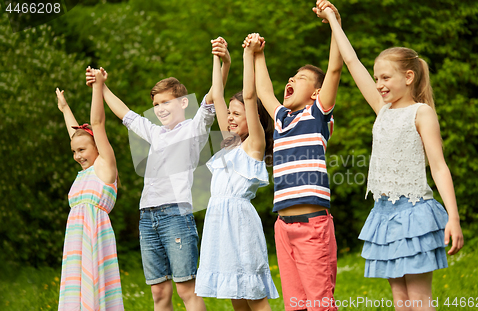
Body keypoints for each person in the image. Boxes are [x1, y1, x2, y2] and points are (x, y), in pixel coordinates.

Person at [324, 1, 464, 309]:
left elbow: (439, 168)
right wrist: (334, 20)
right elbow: (351, 61)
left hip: (415, 212)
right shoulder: (382, 109)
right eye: (377, 78)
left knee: (418, 300)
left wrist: (453, 218)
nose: (379, 84)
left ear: (409, 77)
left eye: (386, 78)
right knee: (400, 301)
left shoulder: (421, 112)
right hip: (385, 213)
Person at [85, 39, 230, 311]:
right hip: (146, 217)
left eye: (167, 102)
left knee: (187, 290)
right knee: (159, 294)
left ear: (183, 102)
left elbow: (214, 94)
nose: (161, 108)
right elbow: (124, 113)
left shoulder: (194, 128)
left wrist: (225, 62)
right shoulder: (155, 133)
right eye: (156, 104)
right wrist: (101, 85)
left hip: (176, 216)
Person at [247, 1, 343, 310]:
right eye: (290, 77)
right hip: (283, 229)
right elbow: (263, 90)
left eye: (300, 78)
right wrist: (259, 55)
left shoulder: (317, 116)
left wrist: (333, 24)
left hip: (313, 226)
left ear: (316, 92)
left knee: (319, 303)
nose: (291, 80)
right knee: (295, 305)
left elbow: (335, 69)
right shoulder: (281, 120)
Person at [194, 35, 279, 311]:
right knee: (234, 292)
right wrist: (219, 59)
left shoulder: (253, 145)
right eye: (229, 113)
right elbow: (216, 95)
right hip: (218, 221)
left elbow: (252, 96)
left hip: (239, 223)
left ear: (251, 119)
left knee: (252, 292)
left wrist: (246, 55)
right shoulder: (229, 144)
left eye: (237, 114)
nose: (229, 117)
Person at [56, 68, 124, 311]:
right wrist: (65, 108)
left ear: (98, 146)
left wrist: (97, 87)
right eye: (74, 152)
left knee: (95, 287)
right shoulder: (84, 172)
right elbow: (77, 135)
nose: (77, 156)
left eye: (82, 151)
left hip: (95, 235)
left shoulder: (105, 167)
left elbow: (97, 123)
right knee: (77, 290)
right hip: (76, 238)